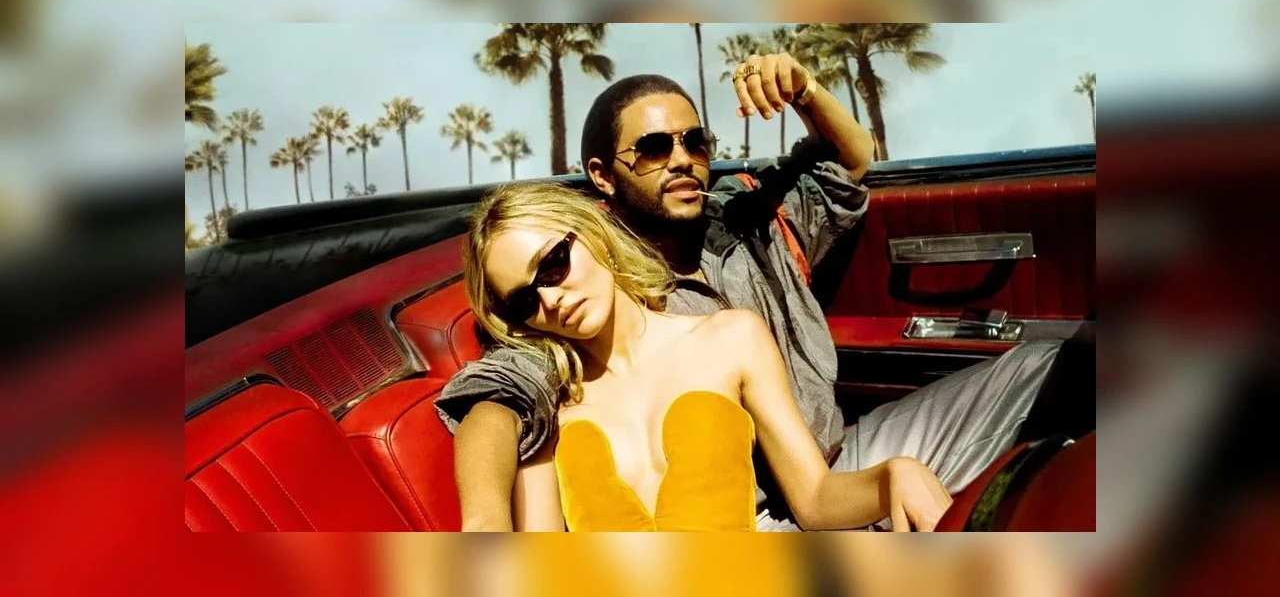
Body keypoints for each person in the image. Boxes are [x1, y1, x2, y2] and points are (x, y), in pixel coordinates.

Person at [435, 52, 1061, 531]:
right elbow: (501, 395)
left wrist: (805, 90)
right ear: (602, 176)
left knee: (1056, 363)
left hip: (838, 458)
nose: (682, 159)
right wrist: (485, 523)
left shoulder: (747, 219)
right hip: (764, 509)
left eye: (694, 141)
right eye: (653, 149)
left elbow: (851, 166)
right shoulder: (581, 310)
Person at [463, 182, 953, 531]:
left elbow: (815, 500)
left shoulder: (730, 337)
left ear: (592, 235)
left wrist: (893, 475)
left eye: (552, 265)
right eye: (523, 300)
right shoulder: (549, 406)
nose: (550, 299)